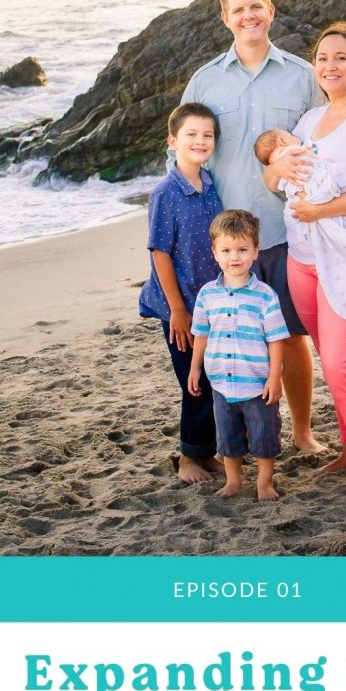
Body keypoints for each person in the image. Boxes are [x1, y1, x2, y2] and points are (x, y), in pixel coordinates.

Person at [177, 0, 323, 454]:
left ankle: (301, 432)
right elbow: (183, 154)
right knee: (224, 338)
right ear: (225, 18)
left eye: (255, 6)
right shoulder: (205, 80)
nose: (248, 16)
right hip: (226, 238)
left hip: (287, 231)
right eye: (238, 9)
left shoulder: (303, 76)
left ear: (271, 10)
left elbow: (325, 143)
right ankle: (232, 442)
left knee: (292, 336)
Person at [263, 21, 346, 500]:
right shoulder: (307, 122)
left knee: (342, 362)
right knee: (327, 354)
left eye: (340, 57)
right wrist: (275, 169)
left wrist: (321, 209)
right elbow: (273, 179)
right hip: (303, 258)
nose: (329, 66)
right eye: (322, 58)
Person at [139, 102, 223, 484]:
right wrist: (177, 309)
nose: (200, 141)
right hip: (181, 305)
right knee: (194, 380)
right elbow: (160, 251)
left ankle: (206, 454)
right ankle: (188, 457)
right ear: (173, 141)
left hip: (210, 303)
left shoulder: (210, 185)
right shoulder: (166, 192)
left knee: (211, 377)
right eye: (191, 134)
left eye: (207, 135)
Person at [189, 209, 289, 502]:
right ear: (215, 253)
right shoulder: (208, 294)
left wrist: (274, 377)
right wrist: (195, 368)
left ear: (255, 251)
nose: (235, 257)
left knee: (264, 437)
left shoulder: (265, 296)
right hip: (221, 382)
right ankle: (233, 481)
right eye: (227, 250)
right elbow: (201, 334)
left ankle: (264, 483)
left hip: (257, 384)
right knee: (228, 439)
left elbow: (276, 339)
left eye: (243, 249)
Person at [255, 128, 346, 324]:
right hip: (311, 189)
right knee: (343, 172)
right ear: (282, 140)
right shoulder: (288, 152)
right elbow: (308, 160)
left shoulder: (279, 159)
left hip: (306, 222)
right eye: (290, 136)